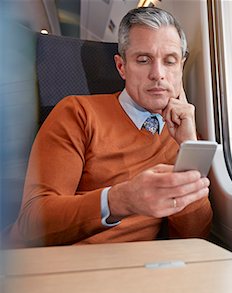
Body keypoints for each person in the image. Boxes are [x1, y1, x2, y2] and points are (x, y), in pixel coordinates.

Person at [8, 7, 212, 247]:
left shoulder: (184, 135)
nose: (158, 74)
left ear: (181, 67)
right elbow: (32, 224)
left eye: (169, 61)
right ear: (121, 67)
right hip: (66, 267)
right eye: (143, 60)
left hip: (141, 270)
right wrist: (119, 200)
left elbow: (194, 239)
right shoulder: (77, 113)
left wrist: (188, 147)